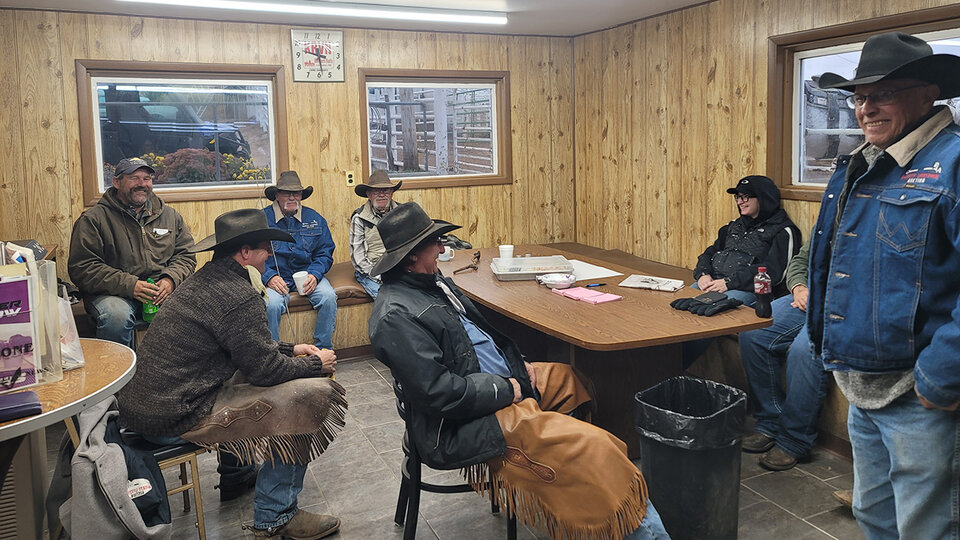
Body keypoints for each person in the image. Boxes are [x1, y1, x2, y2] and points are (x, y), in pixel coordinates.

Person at [368, 202, 669, 540]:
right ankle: (627, 515)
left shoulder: (431, 283)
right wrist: (506, 389)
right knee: (598, 448)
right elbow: (439, 393)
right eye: (434, 242)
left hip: (487, 385)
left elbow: (480, 339)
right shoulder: (395, 315)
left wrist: (517, 365)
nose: (442, 248)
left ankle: (577, 501)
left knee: (573, 382)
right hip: (455, 425)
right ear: (411, 256)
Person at [809, 31, 960, 538]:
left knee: (926, 528)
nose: (866, 108)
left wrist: (940, 377)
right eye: (859, 97)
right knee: (874, 515)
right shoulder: (863, 163)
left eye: (884, 94)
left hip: (921, 396)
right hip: (862, 384)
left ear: (928, 93)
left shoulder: (954, 164)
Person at [117, 208, 345, 539]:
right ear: (245, 253)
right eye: (266, 247)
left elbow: (244, 345)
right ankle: (275, 516)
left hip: (150, 408)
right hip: (173, 416)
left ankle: (237, 474)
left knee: (250, 380)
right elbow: (265, 369)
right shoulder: (237, 296)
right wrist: (316, 365)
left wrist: (293, 348)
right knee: (306, 399)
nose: (270, 254)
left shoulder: (209, 279)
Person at [68, 157, 196, 346]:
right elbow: (82, 268)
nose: (142, 184)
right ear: (116, 182)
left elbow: (186, 256)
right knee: (116, 317)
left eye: (147, 178)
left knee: (202, 306)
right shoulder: (93, 219)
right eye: (134, 178)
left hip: (160, 291)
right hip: (114, 294)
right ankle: (121, 373)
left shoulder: (170, 216)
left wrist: (170, 279)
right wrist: (131, 285)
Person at [738, 238, 832, 471]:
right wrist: (799, 287)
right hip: (809, 294)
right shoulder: (835, 208)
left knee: (804, 350)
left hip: (845, 304)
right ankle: (771, 419)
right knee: (754, 332)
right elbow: (801, 259)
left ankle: (794, 439)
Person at [693, 175, 801, 306]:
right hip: (714, 282)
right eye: (738, 197)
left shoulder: (783, 231)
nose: (739, 202)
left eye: (745, 197)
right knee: (679, 301)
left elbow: (775, 272)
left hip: (749, 290)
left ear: (763, 198)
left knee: (708, 309)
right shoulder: (733, 226)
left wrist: (729, 282)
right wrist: (703, 274)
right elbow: (710, 253)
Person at [261, 171, 337, 349]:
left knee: (328, 297)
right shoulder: (261, 219)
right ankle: (274, 355)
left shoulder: (316, 219)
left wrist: (315, 274)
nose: (292, 197)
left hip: (307, 275)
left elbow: (325, 253)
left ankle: (323, 350)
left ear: (301, 195)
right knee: (270, 306)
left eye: (296, 193)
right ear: (277, 195)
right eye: (287, 193)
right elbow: (250, 257)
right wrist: (269, 277)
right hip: (274, 279)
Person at [348, 169, 401, 298]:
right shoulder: (359, 218)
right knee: (389, 301)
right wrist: (382, 276)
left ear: (392, 193)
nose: (381, 195)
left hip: (399, 268)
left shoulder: (403, 213)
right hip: (372, 270)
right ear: (369, 194)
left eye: (386, 190)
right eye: (376, 191)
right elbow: (358, 259)